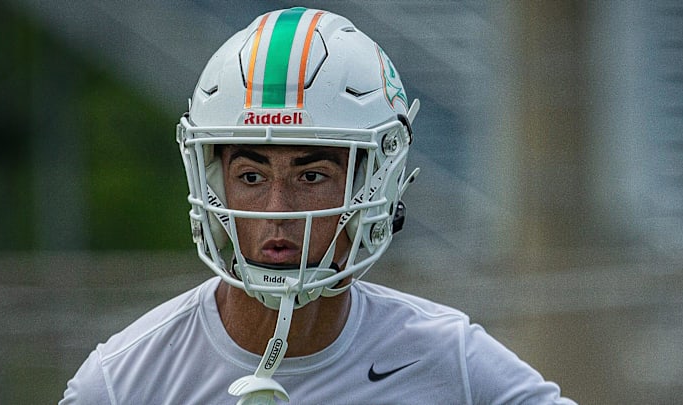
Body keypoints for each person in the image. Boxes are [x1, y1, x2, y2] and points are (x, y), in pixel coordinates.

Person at [61, 7, 576, 404]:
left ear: (375, 184)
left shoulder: (452, 362)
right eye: (251, 175)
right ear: (214, 181)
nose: (278, 211)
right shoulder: (121, 384)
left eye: (311, 175)